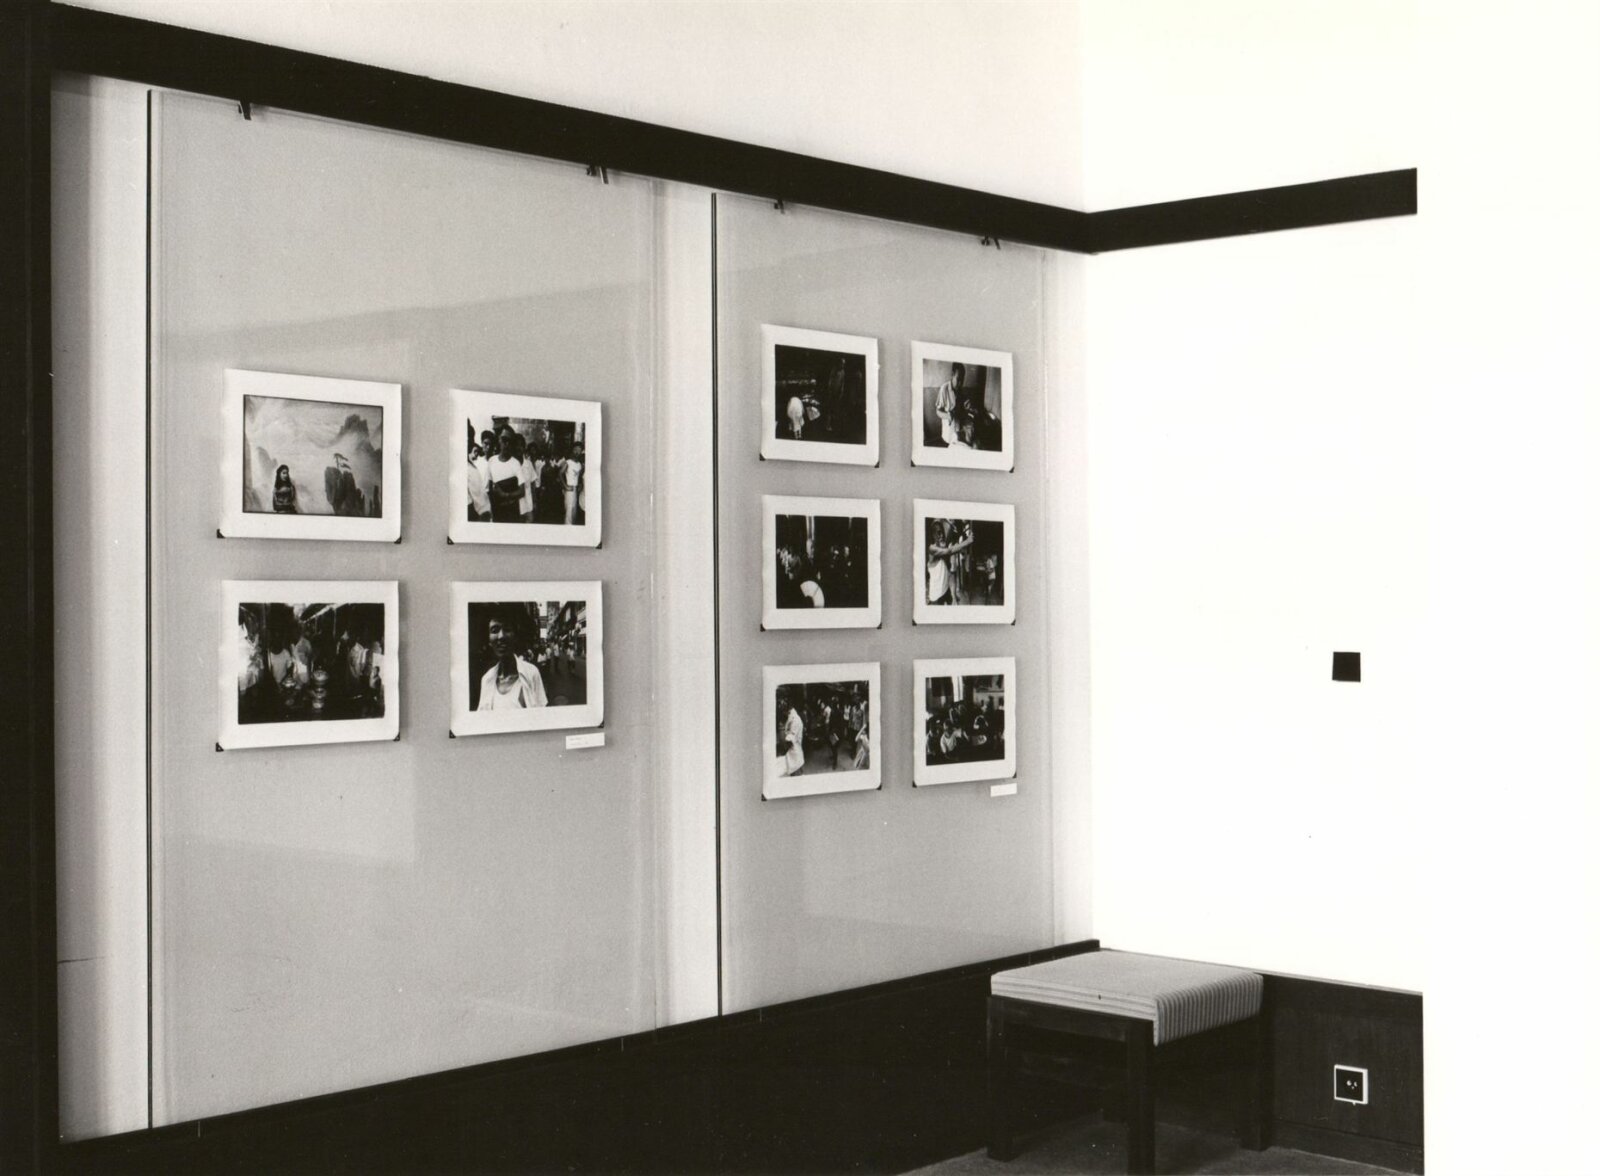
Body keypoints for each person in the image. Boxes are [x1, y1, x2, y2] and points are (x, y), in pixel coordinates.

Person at [476, 611, 548, 710]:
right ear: (489, 641)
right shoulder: (486, 680)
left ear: (515, 637)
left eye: (507, 629)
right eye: (494, 630)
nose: (501, 636)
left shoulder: (532, 673)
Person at [485, 426, 526, 523]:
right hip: (496, 512)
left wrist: (505, 495)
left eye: (509, 441)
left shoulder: (515, 463)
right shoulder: (491, 461)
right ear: (498, 440)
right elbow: (488, 489)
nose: (506, 444)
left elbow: (522, 491)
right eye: (504, 440)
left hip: (512, 513)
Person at [934, 362, 966, 446]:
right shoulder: (944, 389)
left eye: (962, 380)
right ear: (952, 375)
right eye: (958, 379)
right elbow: (938, 411)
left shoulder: (960, 391)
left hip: (958, 430)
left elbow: (961, 410)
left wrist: (966, 407)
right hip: (948, 432)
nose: (960, 383)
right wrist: (948, 416)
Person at [465, 444, 490, 520]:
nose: (476, 454)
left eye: (477, 452)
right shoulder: (469, 468)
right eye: (475, 451)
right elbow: (476, 490)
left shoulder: (474, 466)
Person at [782, 701, 805, 776]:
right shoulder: (792, 717)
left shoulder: (795, 720)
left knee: (795, 770)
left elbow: (791, 737)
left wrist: (785, 746)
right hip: (795, 749)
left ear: (788, 711)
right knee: (797, 766)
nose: (784, 714)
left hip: (794, 749)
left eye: (784, 712)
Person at [563, 445, 583, 525]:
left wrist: (580, 484)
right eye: (576, 450)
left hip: (575, 490)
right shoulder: (568, 462)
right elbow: (560, 474)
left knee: (574, 511)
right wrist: (565, 486)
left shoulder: (579, 464)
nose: (577, 452)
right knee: (569, 511)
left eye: (579, 450)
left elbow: (579, 477)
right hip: (569, 489)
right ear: (572, 450)